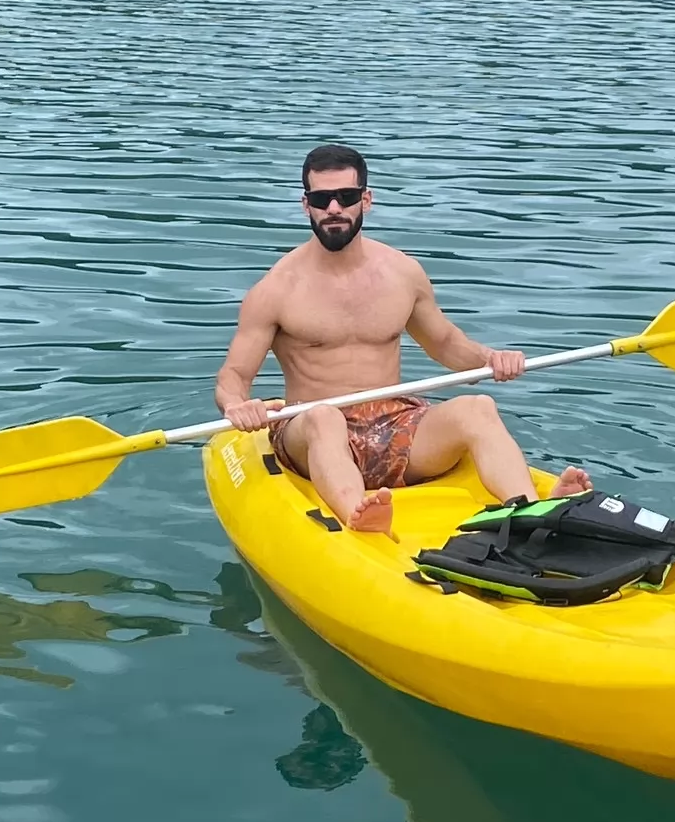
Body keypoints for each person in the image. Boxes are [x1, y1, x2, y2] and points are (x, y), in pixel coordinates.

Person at [216, 144, 590, 533]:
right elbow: (234, 376)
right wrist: (237, 405)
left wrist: (491, 358)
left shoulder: (402, 273)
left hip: (395, 424)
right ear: (305, 204)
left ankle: (529, 508)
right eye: (321, 199)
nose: (333, 209)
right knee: (323, 418)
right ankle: (360, 517)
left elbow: (444, 343)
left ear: (366, 199)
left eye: (345, 197)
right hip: (314, 434)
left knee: (477, 407)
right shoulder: (276, 289)